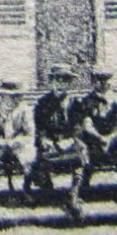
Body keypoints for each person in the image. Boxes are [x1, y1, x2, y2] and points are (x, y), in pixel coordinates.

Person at [32, 63, 87, 222]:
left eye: (65, 81)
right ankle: (51, 193)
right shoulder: (42, 103)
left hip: (69, 141)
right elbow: (39, 127)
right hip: (51, 142)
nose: (61, 84)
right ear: (52, 82)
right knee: (42, 158)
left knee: (80, 156)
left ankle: (73, 196)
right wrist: (45, 139)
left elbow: (78, 126)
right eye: (58, 80)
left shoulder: (75, 103)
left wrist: (71, 139)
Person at [72, 69, 117, 202]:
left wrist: (111, 137)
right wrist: (100, 138)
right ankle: (82, 192)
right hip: (94, 139)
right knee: (87, 159)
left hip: (113, 139)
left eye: (106, 80)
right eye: (100, 80)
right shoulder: (86, 101)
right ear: (94, 82)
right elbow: (87, 124)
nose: (103, 83)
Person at [0, 79, 36, 208]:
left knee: (30, 154)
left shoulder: (25, 110)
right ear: (2, 96)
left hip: (18, 145)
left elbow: (30, 133)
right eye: (9, 96)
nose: (12, 100)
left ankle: (26, 189)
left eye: (16, 96)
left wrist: (17, 141)